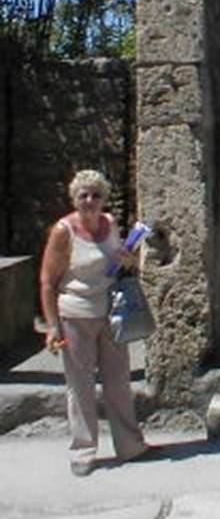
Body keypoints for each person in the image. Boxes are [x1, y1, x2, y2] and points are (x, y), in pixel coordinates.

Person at [39, 169, 148, 476]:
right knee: (80, 385)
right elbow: (47, 282)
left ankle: (130, 445)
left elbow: (114, 265)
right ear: (75, 199)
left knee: (118, 382)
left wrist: (127, 258)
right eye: (83, 195)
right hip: (74, 314)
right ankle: (83, 452)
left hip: (109, 312)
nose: (90, 200)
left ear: (104, 198)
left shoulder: (110, 224)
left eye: (95, 195)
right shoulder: (64, 231)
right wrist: (52, 326)